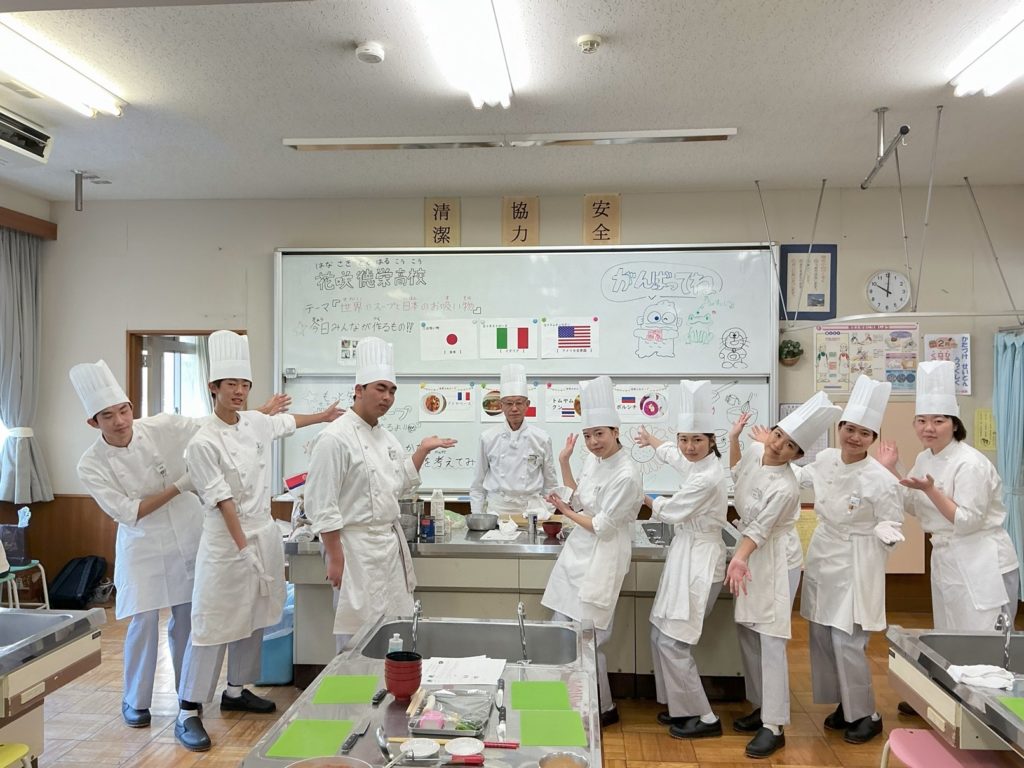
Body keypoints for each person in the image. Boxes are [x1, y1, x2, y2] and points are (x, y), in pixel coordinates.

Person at [70, 358, 287, 729]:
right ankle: (135, 700)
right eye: (108, 416)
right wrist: (179, 485)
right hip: (142, 544)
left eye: (124, 411)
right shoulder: (90, 464)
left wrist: (257, 415)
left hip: (189, 532)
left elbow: (212, 424)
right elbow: (129, 512)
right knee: (143, 621)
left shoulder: (161, 426)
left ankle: (190, 698)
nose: (121, 421)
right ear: (94, 423)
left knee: (189, 618)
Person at [175, 331, 341, 752]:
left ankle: (236, 690)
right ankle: (188, 709)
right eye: (230, 384)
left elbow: (287, 423)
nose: (239, 391)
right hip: (225, 541)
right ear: (213, 388)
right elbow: (222, 499)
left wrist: (323, 416)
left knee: (252, 616)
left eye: (244, 384)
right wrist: (242, 547)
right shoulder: (202, 441)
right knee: (213, 623)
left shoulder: (254, 421)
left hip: (262, 531)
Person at [304, 337, 456, 652]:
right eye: (379, 388)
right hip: (354, 549)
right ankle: (351, 699)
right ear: (358, 390)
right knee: (356, 639)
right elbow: (322, 504)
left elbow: (399, 483)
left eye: (392, 390)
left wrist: (422, 450)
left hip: (387, 548)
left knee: (396, 632)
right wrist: (334, 556)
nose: (387, 397)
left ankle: (391, 697)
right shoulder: (334, 438)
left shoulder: (386, 438)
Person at [725, 391, 840, 759]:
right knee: (746, 630)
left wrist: (739, 558)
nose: (778, 446)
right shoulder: (760, 452)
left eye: (789, 445)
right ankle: (759, 705)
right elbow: (736, 472)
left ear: (798, 456)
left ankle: (774, 726)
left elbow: (760, 529)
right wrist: (732, 440)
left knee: (771, 636)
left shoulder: (786, 487)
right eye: (777, 436)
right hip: (749, 554)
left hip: (774, 558)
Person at [794, 375, 903, 744]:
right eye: (849, 429)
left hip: (859, 558)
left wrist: (887, 532)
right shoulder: (825, 459)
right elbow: (802, 476)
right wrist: (774, 456)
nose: (855, 437)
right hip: (825, 550)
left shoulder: (881, 478)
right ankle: (845, 703)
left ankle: (867, 713)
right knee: (822, 634)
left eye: (864, 433)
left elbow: (893, 518)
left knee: (847, 640)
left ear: (873, 439)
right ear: (839, 428)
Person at [879, 360, 1019, 632]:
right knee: (950, 635)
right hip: (946, 558)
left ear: (955, 425)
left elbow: (968, 521)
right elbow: (914, 505)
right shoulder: (925, 457)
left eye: (938, 421)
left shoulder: (970, 463)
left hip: (983, 559)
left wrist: (931, 490)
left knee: (986, 639)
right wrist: (891, 469)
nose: (928, 428)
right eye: (921, 421)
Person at [541, 375, 643, 728]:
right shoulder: (593, 461)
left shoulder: (627, 474)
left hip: (602, 557)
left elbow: (601, 524)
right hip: (578, 555)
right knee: (566, 633)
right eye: (587, 435)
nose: (593, 441)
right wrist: (565, 463)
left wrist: (566, 512)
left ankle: (599, 709)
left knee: (587, 639)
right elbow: (581, 497)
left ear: (615, 431)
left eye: (599, 433)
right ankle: (575, 705)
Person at [634, 380, 728, 739]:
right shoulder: (696, 463)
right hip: (686, 556)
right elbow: (674, 455)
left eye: (697, 441)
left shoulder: (708, 476)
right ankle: (680, 707)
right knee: (661, 634)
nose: (688, 448)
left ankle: (704, 717)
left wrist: (642, 496)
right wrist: (654, 441)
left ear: (711, 441)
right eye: (684, 439)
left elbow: (671, 512)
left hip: (701, 562)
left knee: (675, 641)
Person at [469, 363, 559, 520]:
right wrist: (478, 518)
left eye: (519, 403)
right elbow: (477, 485)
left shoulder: (542, 438)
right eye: (509, 403)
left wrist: (546, 513)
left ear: (527, 405)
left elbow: (551, 484)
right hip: (497, 512)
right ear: (501, 406)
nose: (514, 408)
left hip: (532, 512)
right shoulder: (488, 437)